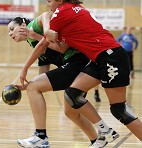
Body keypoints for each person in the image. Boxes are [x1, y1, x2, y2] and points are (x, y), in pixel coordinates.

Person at [18, 0, 142, 146]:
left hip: (111, 57)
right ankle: (105, 131)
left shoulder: (61, 12)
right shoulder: (72, 9)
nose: (48, 4)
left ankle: (108, 133)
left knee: (119, 110)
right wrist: (46, 34)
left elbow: (43, 43)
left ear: (59, 0)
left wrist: (25, 68)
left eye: (50, 1)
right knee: (73, 94)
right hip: (99, 58)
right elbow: (58, 45)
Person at [8, 14, 119, 148]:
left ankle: (40, 136)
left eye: (12, 28)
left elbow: (45, 15)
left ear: (23, 26)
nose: (10, 33)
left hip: (77, 61)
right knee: (70, 112)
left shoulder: (33, 27)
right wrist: (23, 87)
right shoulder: (34, 44)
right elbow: (42, 75)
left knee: (34, 88)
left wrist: (44, 32)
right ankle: (97, 140)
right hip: (78, 66)